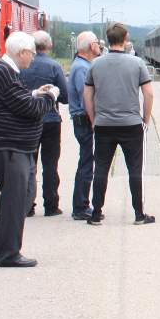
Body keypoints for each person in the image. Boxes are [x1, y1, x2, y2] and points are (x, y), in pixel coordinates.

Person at [0, 32, 57, 267]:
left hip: (15, 144)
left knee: (24, 194)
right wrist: (50, 97)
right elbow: (27, 108)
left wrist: (36, 93)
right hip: (9, 145)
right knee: (16, 198)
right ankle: (8, 253)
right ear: (22, 52)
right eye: (31, 54)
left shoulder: (6, 72)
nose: (32, 59)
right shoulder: (3, 72)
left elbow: (17, 99)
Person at [84, 23, 154, 226]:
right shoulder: (137, 63)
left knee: (101, 169)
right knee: (135, 169)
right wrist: (145, 120)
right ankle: (139, 214)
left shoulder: (96, 64)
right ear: (125, 39)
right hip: (132, 124)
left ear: (108, 39)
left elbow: (87, 94)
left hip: (104, 125)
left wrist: (93, 119)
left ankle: (96, 213)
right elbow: (148, 93)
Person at [18, 30, 68, 216]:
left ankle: (27, 205)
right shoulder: (54, 66)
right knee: (50, 165)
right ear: (49, 45)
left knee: (27, 164)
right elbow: (64, 96)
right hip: (50, 121)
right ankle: (51, 205)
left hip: (26, 120)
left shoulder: (21, 66)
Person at [68, 31, 101, 219]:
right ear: (91, 46)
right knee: (86, 163)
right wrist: (95, 121)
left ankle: (81, 204)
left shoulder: (82, 65)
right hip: (83, 121)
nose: (99, 46)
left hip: (82, 120)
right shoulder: (82, 68)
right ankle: (80, 206)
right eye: (97, 42)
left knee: (86, 162)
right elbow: (85, 98)